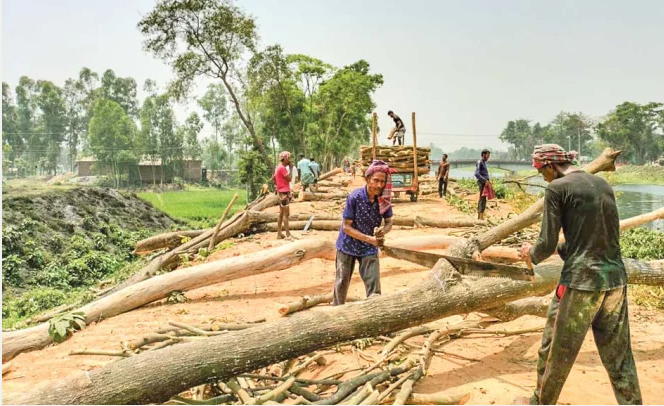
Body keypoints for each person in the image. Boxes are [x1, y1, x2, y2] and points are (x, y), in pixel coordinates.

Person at [517, 144, 641, 405]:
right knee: (620, 357)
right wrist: (566, 248)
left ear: (551, 166)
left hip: (580, 283)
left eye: (542, 170)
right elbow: (600, 237)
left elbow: (546, 244)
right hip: (614, 281)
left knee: (554, 352)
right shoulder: (602, 184)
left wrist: (530, 253)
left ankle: (540, 402)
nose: (542, 176)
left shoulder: (557, 189)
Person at [333, 160, 394, 305]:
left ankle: (375, 314)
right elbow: (346, 227)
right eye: (375, 180)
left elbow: (389, 222)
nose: (379, 185)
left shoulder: (383, 199)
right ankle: (336, 313)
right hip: (348, 245)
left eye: (382, 182)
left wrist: (382, 232)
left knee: (374, 285)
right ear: (367, 179)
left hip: (368, 248)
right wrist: (371, 239)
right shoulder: (355, 197)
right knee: (341, 282)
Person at [274, 151, 294, 240]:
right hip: (284, 193)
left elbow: (274, 178)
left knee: (281, 214)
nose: (289, 160)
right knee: (286, 214)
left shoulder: (278, 167)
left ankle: (279, 233)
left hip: (280, 192)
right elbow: (289, 179)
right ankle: (288, 234)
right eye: (289, 158)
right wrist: (291, 168)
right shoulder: (282, 168)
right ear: (285, 159)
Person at [474, 149, 491, 220]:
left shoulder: (483, 163)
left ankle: (480, 216)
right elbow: (476, 174)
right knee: (482, 199)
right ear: (483, 155)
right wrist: (484, 180)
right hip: (482, 183)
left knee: (483, 199)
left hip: (485, 183)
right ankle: (480, 217)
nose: (488, 157)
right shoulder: (479, 162)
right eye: (488, 155)